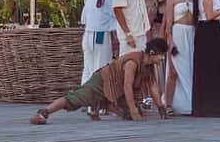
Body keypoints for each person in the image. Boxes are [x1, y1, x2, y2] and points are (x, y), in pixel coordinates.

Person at [30, 38, 170, 124]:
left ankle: (101, 105)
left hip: (116, 90)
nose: (163, 58)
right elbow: (127, 86)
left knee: (133, 114)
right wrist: (133, 110)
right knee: (75, 98)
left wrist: (161, 108)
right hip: (102, 81)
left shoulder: (149, 66)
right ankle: (43, 112)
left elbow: (153, 86)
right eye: (162, 55)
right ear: (152, 53)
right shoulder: (133, 62)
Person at [164, 0, 195, 115]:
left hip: (191, 33)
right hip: (178, 33)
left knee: (190, 68)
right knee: (174, 70)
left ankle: (190, 102)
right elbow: (168, 23)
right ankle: (168, 105)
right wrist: (170, 41)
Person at [81, 0, 118, 85]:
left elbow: (84, 20)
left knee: (88, 69)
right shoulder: (109, 0)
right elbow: (119, 19)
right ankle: (97, 100)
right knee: (101, 69)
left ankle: (85, 99)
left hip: (88, 36)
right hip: (100, 36)